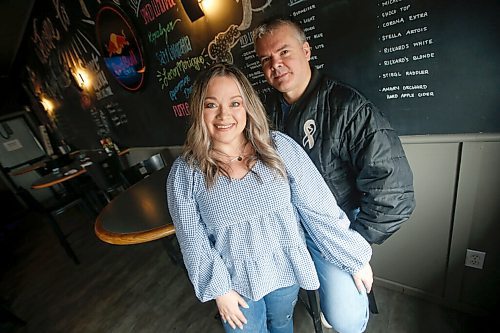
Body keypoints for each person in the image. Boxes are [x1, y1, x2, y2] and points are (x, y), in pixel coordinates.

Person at [166, 63, 373, 333]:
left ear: (247, 106)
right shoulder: (185, 173)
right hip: (234, 284)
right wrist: (220, 290)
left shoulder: (279, 148)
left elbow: (319, 208)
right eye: (211, 105)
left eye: (235, 103)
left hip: (285, 270)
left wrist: (354, 258)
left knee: (282, 323)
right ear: (198, 110)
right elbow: (193, 240)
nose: (223, 114)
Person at [253, 18, 416, 332]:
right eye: (265, 59)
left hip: (333, 226)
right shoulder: (262, 113)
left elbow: (394, 192)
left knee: (346, 321)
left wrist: (354, 245)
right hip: (284, 226)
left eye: (284, 52)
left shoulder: (349, 107)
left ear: (306, 50)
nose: (276, 64)